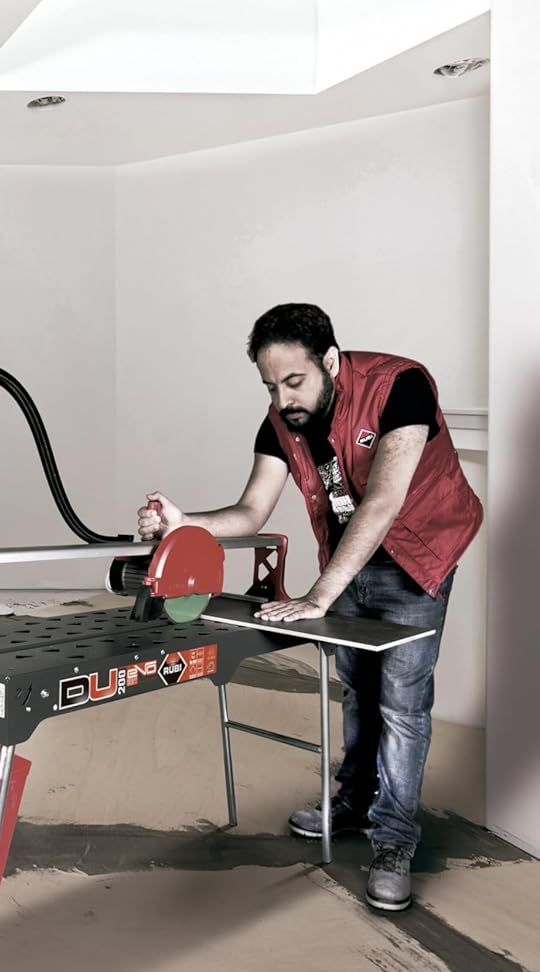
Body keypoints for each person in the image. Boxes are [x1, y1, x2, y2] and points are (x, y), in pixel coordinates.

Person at [137, 303, 482, 913]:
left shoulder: (401, 386)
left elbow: (383, 501)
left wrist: (318, 595)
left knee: (402, 702)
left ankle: (395, 840)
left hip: (418, 557)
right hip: (346, 557)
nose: (283, 398)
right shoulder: (281, 420)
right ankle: (353, 801)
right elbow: (250, 512)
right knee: (355, 685)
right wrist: (184, 523)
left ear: (329, 361)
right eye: (271, 385)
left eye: (293, 382)